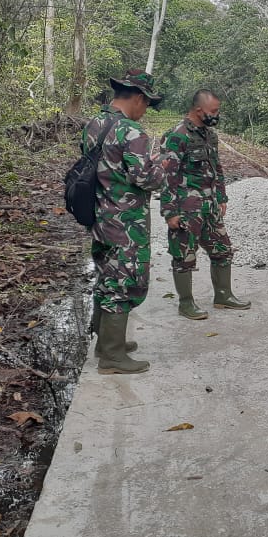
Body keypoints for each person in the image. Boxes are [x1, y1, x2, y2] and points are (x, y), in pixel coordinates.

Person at [85, 70, 169, 375]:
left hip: (100, 216)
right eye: (147, 104)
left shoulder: (95, 124)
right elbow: (146, 178)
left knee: (106, 276)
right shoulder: (132, 132)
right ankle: (112, 356)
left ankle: (107, 343)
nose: (145, 110)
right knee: (125, 283)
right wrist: (161, 165)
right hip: (126, 222)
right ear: (137, 97)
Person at [161, 89, 250, 319]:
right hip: (186, 208)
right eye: (214, 111)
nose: (217, 115)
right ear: (199, 110)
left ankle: (223, 295)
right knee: (184, 256)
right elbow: (167, 175)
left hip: (210, 206)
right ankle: (186, 303)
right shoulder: (178, 136)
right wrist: (169, 212)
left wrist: (221, 197)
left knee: (223, 250)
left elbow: (217, 168)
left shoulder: (210, 135)